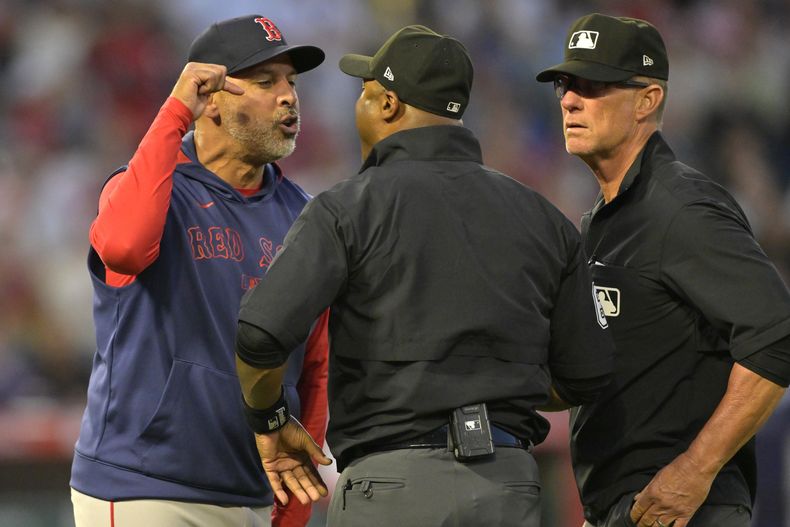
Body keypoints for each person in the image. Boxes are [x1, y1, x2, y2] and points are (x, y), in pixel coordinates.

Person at [232, 25, 614, 527]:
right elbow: (586, 374)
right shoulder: (543, 218)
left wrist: (270, 418)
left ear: (389, 105)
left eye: (367, 93)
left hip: (393, 486)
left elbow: (259, 335)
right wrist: (493, 382)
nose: (359, 106)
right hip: (508, 486)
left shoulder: (349, 207)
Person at [70, 14, 329, 527]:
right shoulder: (152, 185)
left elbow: (314, 367)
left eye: (291, 82)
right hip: (146, 488)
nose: (288, 97)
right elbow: (123, 247)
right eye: (265, 82)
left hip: (252, 493)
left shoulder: (304, 215)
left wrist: (294, 509)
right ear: (209, 98)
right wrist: (174, 112)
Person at [536, 12, 790, 527]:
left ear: (647, 100)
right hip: (624, 509)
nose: (569, 100)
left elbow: (777, 334)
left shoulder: (680, 208)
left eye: (594, 85)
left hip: (687, 509)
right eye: (565, 85)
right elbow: (596, 373)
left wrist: (695, 470)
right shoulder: (603, 220)